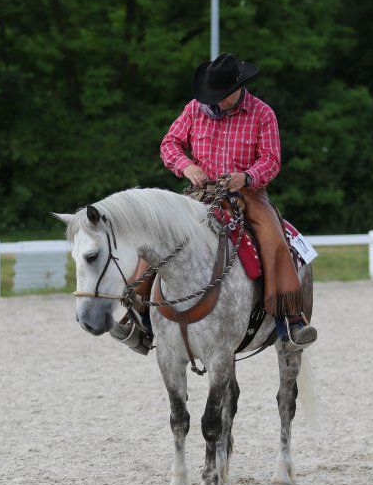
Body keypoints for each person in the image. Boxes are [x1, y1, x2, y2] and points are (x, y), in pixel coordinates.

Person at [112, 53, 317, 355]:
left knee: (274, 239)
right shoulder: (195, 109)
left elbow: (272, 161)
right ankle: (139, 317)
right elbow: (169, 144)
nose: (215, 102)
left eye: (221, 96)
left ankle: (290, 320)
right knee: (160, 236)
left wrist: (246, 177)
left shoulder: (262, 114)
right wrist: (187, 167)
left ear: (238, 89)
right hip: (201, 193)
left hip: (248, 194)